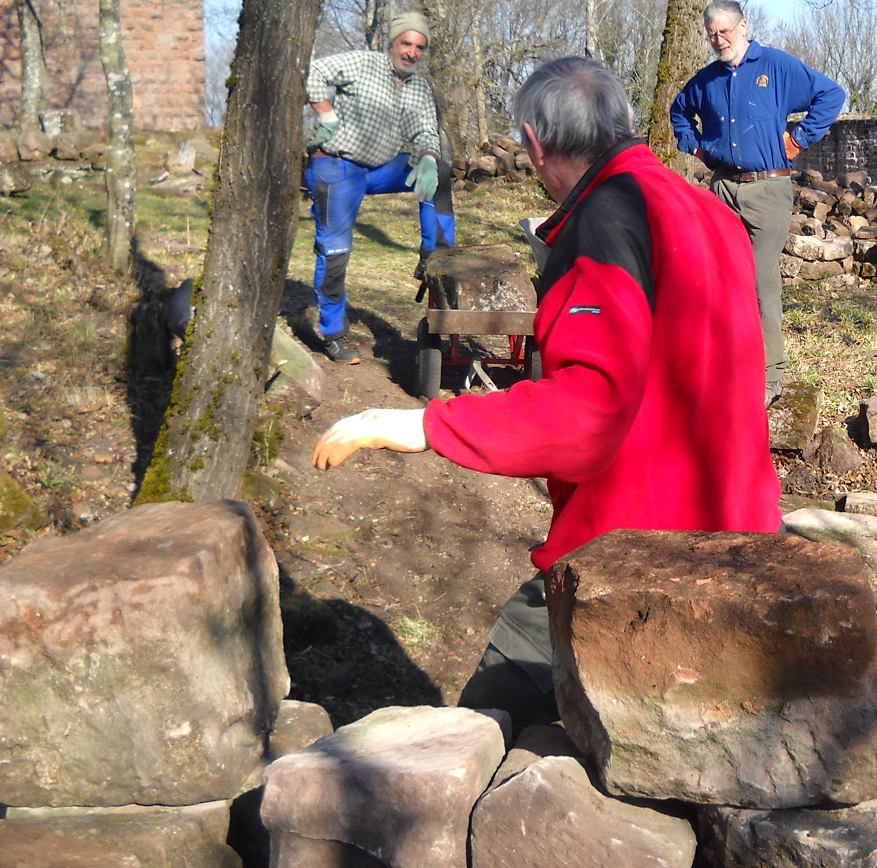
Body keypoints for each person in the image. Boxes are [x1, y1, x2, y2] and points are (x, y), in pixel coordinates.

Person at [312, 56, 782, 726]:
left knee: (486, 724)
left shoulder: (606, 221)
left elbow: (588, 410)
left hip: (634, 554)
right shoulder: (706, 210)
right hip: (739, 529)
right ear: (621, 121)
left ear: (534, 144)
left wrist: (427, 425)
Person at [670, 0, 845, 404]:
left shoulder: (776, 66)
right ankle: (722, 364)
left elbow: (831, 95)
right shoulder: (707, 80)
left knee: (760, 282)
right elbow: (679, 113)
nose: (718, 39)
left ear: (744, 26)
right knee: (717, 279)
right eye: (712, 34)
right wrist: (696, 147)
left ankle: (769, 376)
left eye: (724, 31)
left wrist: (798, 140)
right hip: (723, 190)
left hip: (767, 190)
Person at [304, 11, 456, 365]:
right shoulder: (363, 64)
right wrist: (326, 113)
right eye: (406, 44)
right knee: (335, 250)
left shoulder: (418, 88)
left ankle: (434, 256)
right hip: (337, 167)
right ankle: (333, 334)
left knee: (440, 172)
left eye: (420, 48)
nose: (412, 53)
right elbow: (314, 71)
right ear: (392, 43)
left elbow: (426, 131)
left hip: (379, 169)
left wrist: (428, 157)